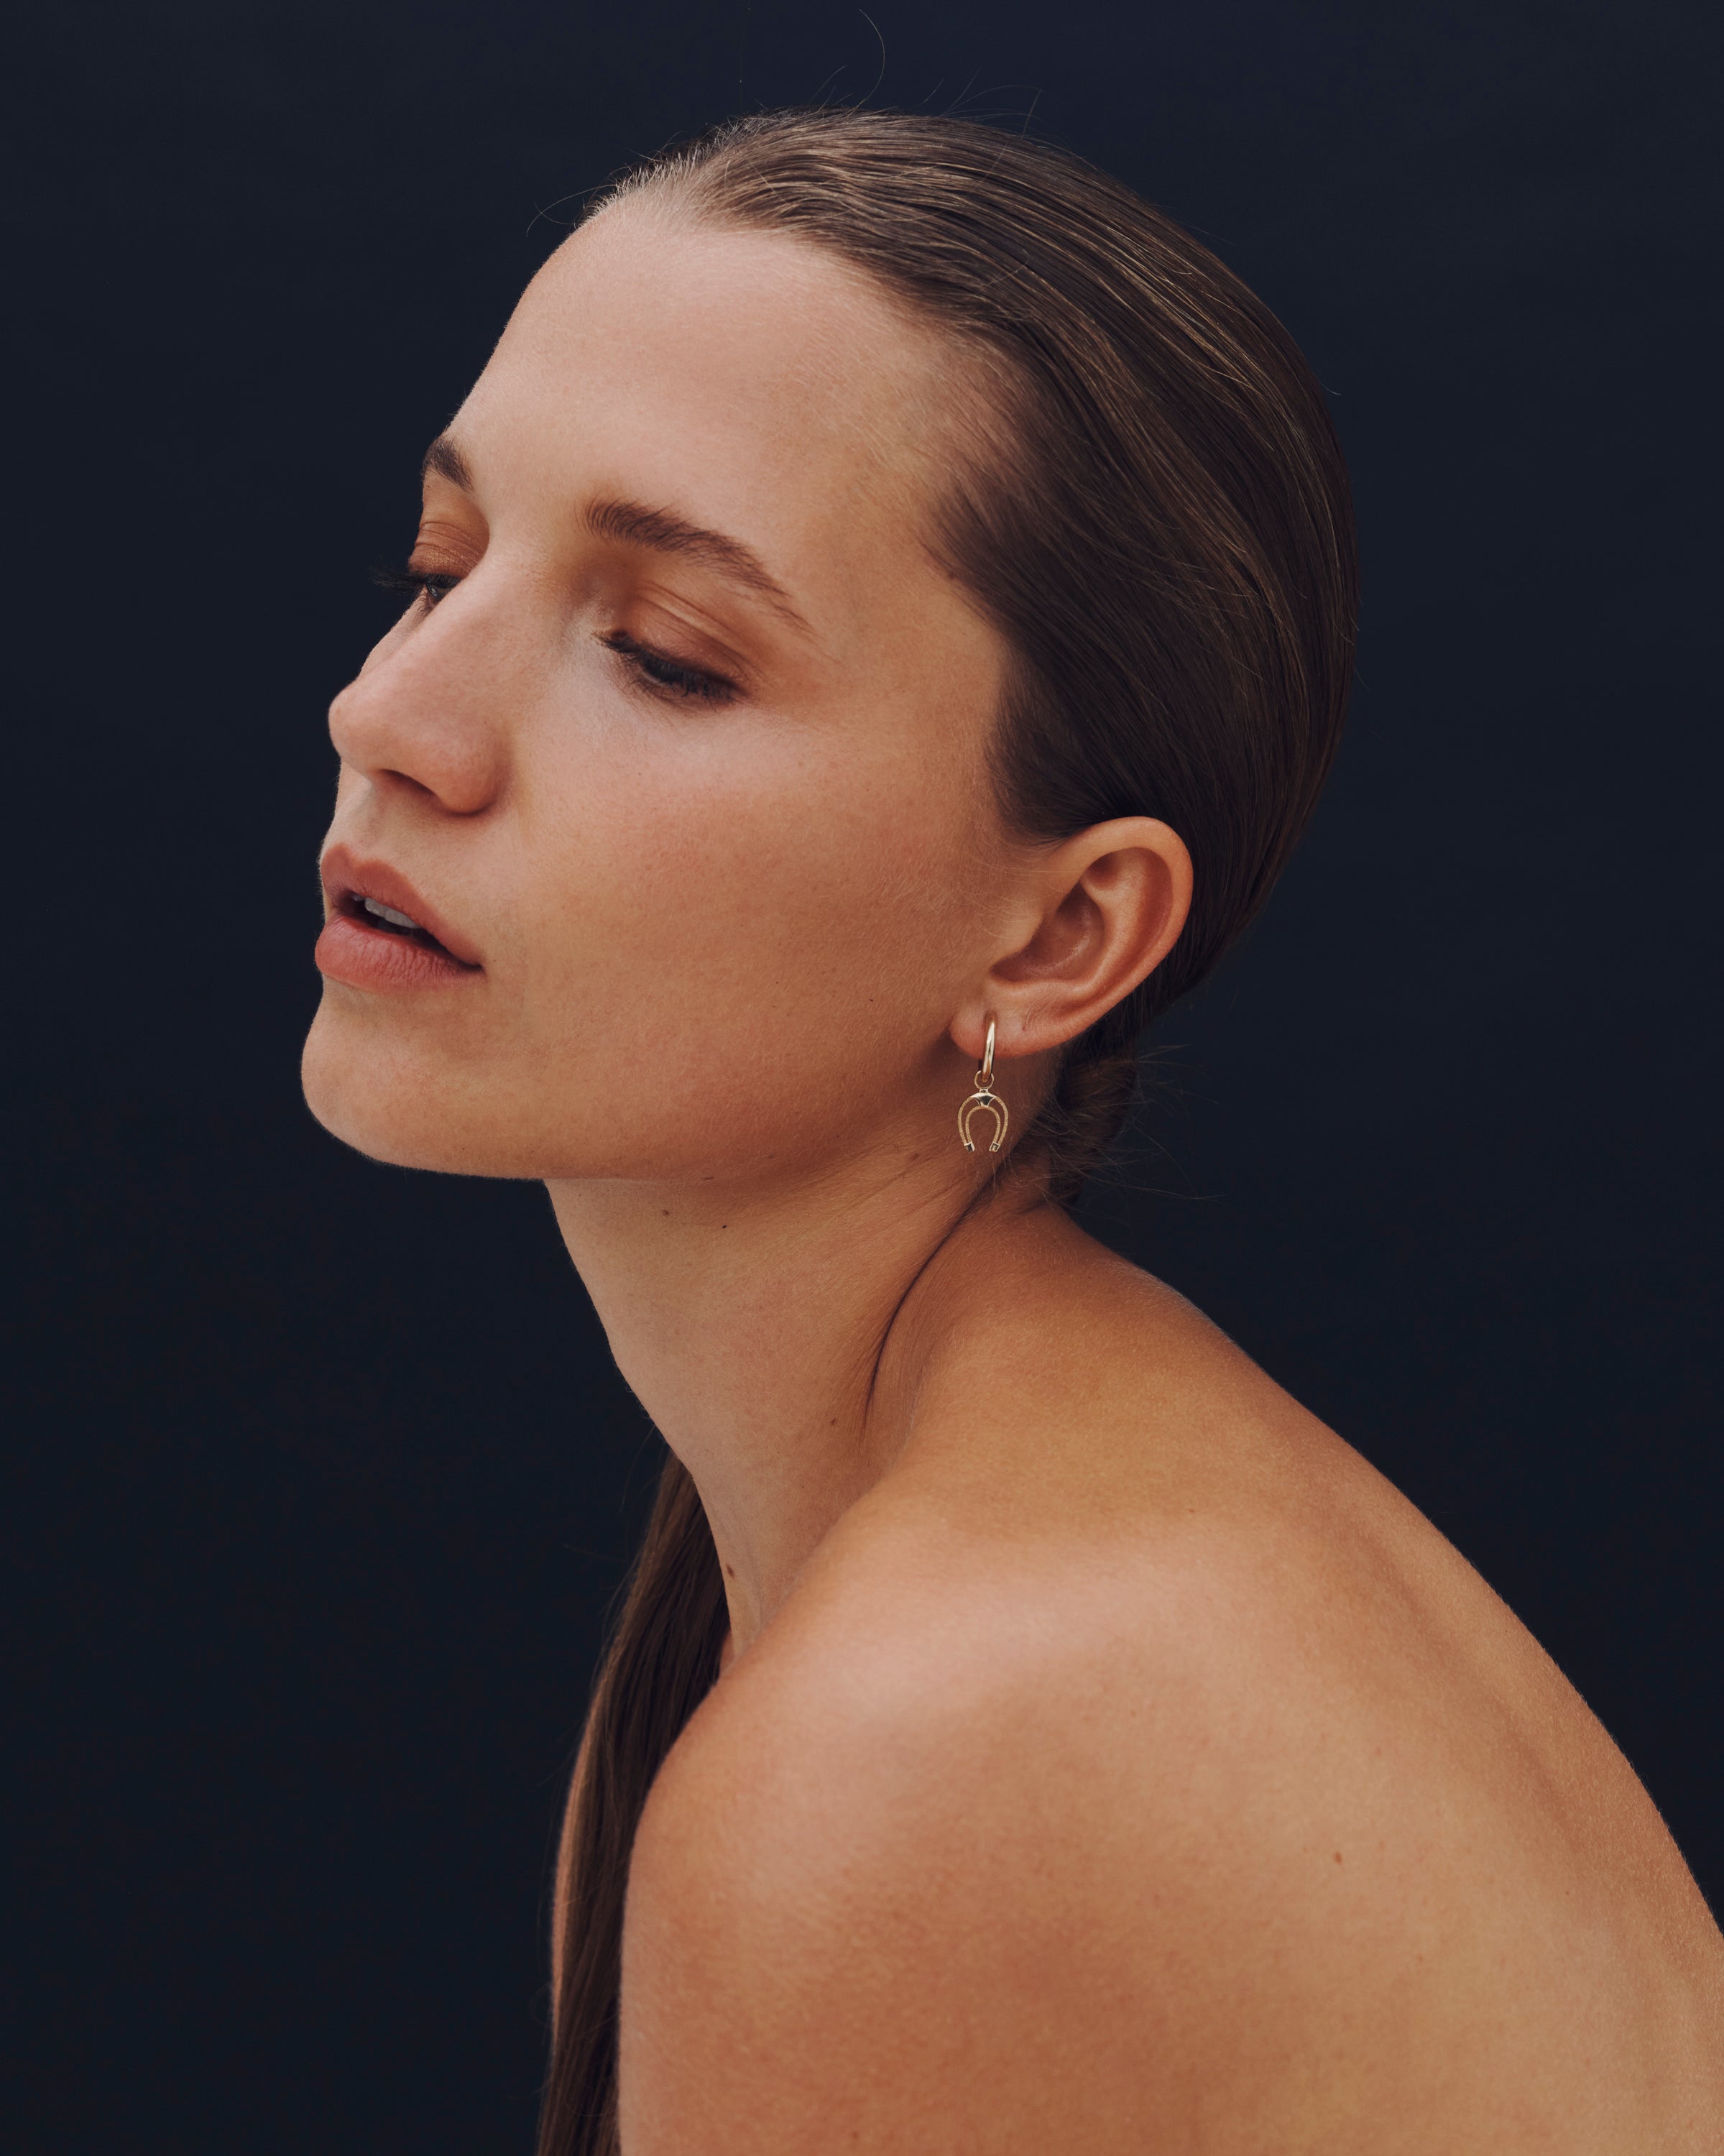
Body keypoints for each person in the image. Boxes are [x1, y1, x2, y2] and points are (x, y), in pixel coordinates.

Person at [301, 107, 1724, 2155]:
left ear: (1061, 934)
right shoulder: (890, 1566)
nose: (393, 719)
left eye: (668, 655)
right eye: (440, 567)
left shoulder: (922, 1745)